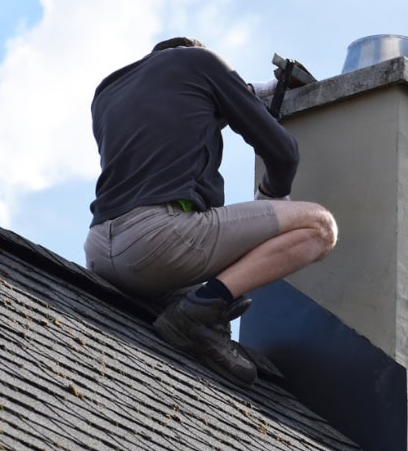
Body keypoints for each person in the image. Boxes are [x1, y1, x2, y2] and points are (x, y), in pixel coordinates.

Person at [84, 37, 338, 387]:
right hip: (158, 243)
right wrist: (271, 200)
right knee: (320, 228)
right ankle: (200, 313)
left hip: (100, 251)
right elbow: (283, 153)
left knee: (206, 294)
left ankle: (202, 315)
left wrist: (230, 98)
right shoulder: (200, 61)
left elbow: (168, 126)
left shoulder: (108, 92)